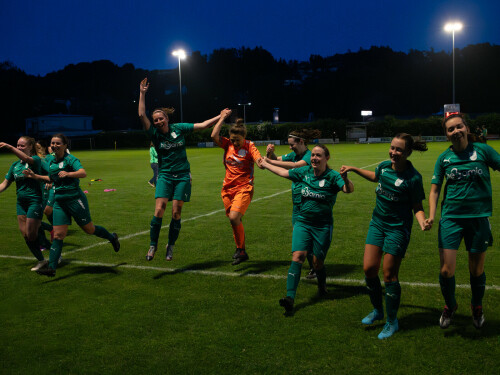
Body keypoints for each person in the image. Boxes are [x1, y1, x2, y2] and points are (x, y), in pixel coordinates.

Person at [340, 133, 429, 339]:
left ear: (407, 152)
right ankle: (377, 311)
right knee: (369, 269)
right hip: (377, 224)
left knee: (389, 274)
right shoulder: (384, 167)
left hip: (397, 229)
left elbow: (417, 207)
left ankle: (392, 321)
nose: (394, 152)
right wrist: (353, 168)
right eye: (392, 148)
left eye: (399, 150)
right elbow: (375, 177)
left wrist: (422, 221)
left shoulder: (413, 178)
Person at [139, 78, 227, 261]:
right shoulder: (154, 135)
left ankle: (170, 245)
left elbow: (203, 125)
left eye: (160, 118)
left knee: (176, 212)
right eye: (155, 120)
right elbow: (141, 115)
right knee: (159, 210)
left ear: (166, 119)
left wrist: (221, 116)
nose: (157, 121)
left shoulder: (178, 128)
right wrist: (142, 93)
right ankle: (152, 245)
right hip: (164, 175)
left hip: (182, 177)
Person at [426, 113, 500, 330]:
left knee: (476, 271)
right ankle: (450, 305)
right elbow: (435, 189)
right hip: (450, 219)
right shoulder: (444, 159)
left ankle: (476, 306)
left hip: (478, 219)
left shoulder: (483, 151)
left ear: (467, 128)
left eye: (459, 127)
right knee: (446, 271)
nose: (456, 131)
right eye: (451, 129)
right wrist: (432, 215)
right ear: (446, 134)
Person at [261, 144, 354, 314]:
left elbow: (348, 190)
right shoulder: (304, 172)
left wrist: (346, 179)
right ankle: (290, 298)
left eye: (319, 156)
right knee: (298, 256)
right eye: (313, 155)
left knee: (317, 263)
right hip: (303, 222)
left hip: (322, 226)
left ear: (327, 158)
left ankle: (322, 285)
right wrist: (266, 164)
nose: (314, 158)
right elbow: (283, 172)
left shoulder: (333, 176)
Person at [23, 133, 120, 276]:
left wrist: (68, 174)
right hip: (59, 201)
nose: (54, 146)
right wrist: (35, 176)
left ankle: (112, 238)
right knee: (58, 235)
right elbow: (51, 177)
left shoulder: (70, 159)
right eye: (52, 143)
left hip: (75, 199)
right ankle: (52, 268)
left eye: (57, 143)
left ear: (65, 145)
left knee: (89, 229)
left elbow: (83, 173)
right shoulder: (50, 160)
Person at [266, 129, 320, 278]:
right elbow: (280, 159)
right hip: (297, 203)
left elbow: (296, 166)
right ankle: (314, 267)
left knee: (306, 238)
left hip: (308, 202)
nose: (290, 148)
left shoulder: (309, 156)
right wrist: (270, 154)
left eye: (292, 145)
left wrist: (268, 161)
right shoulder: (295, 155)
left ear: (301, 142)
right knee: (301, 237)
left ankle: (316, 267)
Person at [211, 112, 263, 265]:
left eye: (237, 140)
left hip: (244, 188)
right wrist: (221, 118)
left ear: (244, 138)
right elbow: (214, 135)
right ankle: (241, 251)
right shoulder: (227, 144)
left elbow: (257, 158)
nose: (235, 143)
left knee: (234, 217)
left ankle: (241, 250)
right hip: (227, 189)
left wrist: (261, 161)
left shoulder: (250, 145)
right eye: (232, 139)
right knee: (233, 220)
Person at [0, 137, 48, 271]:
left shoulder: (35, 160)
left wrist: (9, 147)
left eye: (22, 146)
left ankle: (53, 246)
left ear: (30, 147)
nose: (19, 148)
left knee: (32, 235)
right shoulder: (15, 166)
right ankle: (42, 260)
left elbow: (27, 159)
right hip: (20, 203)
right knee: (26, 235)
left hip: (35, 201)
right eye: (17, 145)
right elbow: (4, 184)